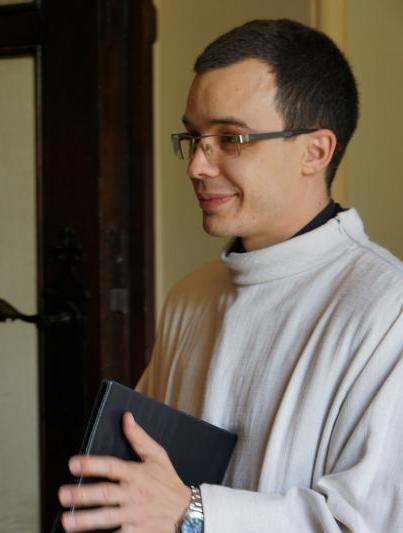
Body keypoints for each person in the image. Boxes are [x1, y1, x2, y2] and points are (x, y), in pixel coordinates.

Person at [58, 19, 403, 532]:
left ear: (315, 151)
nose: (197, 166)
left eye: (231, 138)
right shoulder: (190, 297)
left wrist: (193, 513)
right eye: (194, 137)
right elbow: (149, 480)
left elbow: (369, 522)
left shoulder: (387, 308)